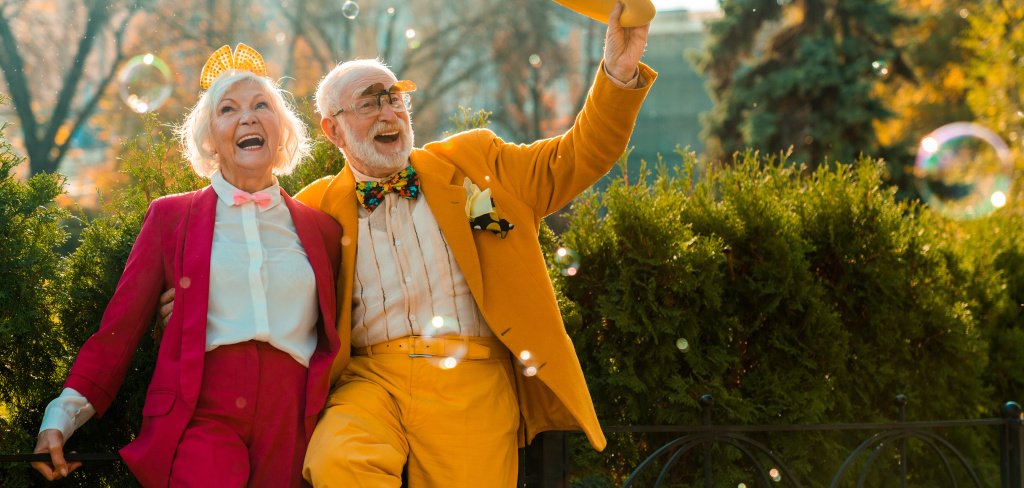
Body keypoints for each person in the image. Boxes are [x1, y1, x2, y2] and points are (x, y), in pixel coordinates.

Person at [289, 3, 655, 485]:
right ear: (333, 129)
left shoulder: (476, 162)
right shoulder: (312, 207)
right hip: (369, 382)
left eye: (395, 98)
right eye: (369, 103)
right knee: (337, 462)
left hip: (472, 378)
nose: (389, 113)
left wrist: (618, 73)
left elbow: (578, 156)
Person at [32, 43, 342, 487]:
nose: (248, 118)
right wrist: (60, 418)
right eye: (228, 109)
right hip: (201, 409)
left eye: (262, 105)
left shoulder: (322, 230)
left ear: (282, 130)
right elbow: (118, 332)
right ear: (209, 138)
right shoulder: (170, 218)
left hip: (292, 417)